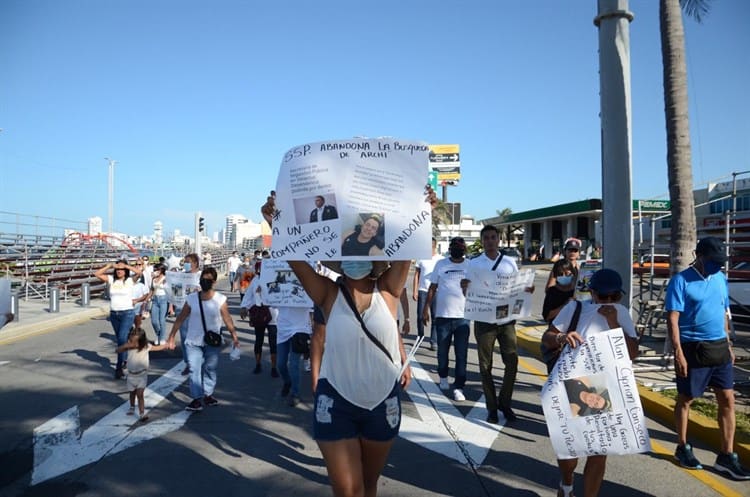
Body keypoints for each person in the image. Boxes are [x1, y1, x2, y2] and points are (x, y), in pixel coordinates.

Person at [261, 187, 434, 497]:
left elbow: (409, 245)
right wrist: (277, 221)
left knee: (368, 486)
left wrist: (422, 208)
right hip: (335, 401)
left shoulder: (389, 291)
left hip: (382, 402)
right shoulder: (327, 293)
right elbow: (296, 260)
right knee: (346, 490)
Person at [541, 268, 639, 497]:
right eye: (602, 296)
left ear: (620, 296)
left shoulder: (621, 313)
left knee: (599, 449)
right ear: (592, 293)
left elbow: (632, 353)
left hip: (605, 386)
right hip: (573, 382)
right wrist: (562, 337)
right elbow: (547, 336)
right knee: (570, 449)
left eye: (613, 297)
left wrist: (614, 322)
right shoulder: (575, 308)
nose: (607, 301)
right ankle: (566, 484)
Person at [665, 237, 750, 479]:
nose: (717, 265)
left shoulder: (720, 279)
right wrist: (678, 352)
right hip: (693, 348)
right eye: (713, 261)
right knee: (686, 398)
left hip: (720, 347)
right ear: (699, 256)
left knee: (727, 399)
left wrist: (728, 343)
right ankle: (682, 447)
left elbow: (723, 311)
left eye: (719, 261)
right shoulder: (680, 281)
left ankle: (726, 455)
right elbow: (673, 319)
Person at [463, 225, 535, 422]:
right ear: (482, 240)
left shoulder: (509, 262)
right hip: (484, 320)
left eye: (493, 237)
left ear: (499, 239)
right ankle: (492, 408)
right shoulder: (474, 263)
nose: (490, 241)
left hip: (506, 320)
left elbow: (517, 287)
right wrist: (465, 287)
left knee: (511, 362)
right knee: (485, 365)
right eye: (486, 238)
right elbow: (468, 293)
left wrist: (527, 289)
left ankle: (505, 403)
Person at [167, 266, 239, 411]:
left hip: (212, 341)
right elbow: (181, 318)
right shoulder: (192, 298)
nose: (205, 282)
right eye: (203, 279)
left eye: (208, 280)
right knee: (194, 369)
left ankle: (208, 394)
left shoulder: (220, 299)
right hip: (193, 341)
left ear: (214, 282)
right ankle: (197, 398)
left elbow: (227, 319)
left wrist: (234, 336)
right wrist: (172, 336)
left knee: (210, 368)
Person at [423, 236, 470, 402]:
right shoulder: (441, 264)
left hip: (463, 318)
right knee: (442, 352)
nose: (457, 248)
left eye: (460, 246)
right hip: (443, 316)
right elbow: (433, 287)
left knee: (461, 354)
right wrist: (426, 309)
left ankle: (459, 387)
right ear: (450, 248)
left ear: (464, 249)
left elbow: (479, 287)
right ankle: (443, 378)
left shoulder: (470, 265)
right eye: (454, 246)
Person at [95, 259, 143, 379]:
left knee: (122, 339)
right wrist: (110, 265)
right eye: (117, 269)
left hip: (127, 313)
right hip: (114, 314)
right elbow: (97, 274)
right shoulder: (111, 280)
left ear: (125, 270)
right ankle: (126, 359)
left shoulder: (130, 281)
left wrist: (126, 265)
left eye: (121, 270)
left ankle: (119, 367)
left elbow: (139, 273)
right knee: (121, 339)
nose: (119, 271)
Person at [116, 327, 168, 421]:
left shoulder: (146, 347)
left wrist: (166, 345)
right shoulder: (128, 347)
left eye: (136, 342)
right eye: (131, 341)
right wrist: (126, 346)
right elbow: (118, 350)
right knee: (132, 393)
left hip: (142, 375)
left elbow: (157, 348)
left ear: (142, 341)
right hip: (131, 375)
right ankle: (132, 407)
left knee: (140, 394)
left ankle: (142, 414)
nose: (134, 344)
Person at [240, 264, 278, 377]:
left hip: (273, 315)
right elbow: (248, 295)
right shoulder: (256, 280)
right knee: (259, 340)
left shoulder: (275, 277)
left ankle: (274, 367)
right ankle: (258, 364)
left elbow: (280, 294)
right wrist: (244, 307)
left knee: (273, 341)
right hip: (259, 314)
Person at [275, 304, 313, 407]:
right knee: (280, 364)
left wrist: (312, 330)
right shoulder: (280, 288)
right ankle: (287, 381)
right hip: (282, 330)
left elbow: (313, 308)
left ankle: (295, 393)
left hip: (299, 330)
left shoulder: (306, 290)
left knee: (294, 364)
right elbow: (268, 301)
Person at [412, 237, 442, 350]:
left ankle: (433, 341)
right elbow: (416, 275)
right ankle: (420, 337)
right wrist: (415, 290)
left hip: (437, 291)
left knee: (435, 317)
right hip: (423, 290)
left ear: (434, 246)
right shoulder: (421, 259)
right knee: (420, 316)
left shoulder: (441, 259)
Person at [175, 253, 202, 375]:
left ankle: (198, 361)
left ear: (195, 263)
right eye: (184, 262)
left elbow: (209, 290)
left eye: (188, 262)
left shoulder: (201, 276)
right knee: (184, 337)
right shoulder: (181, 276)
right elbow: (176, 291)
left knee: (198, 337)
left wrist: (200, 290)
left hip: (197, 310)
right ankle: (188, 363)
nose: (186, 264)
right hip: (182, 309)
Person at [542, 259, 577, 324]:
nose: (564, 276)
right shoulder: (552, 292)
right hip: (556, 329)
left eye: (567, 274)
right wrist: (565, 305)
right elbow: (547, 316)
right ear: (555, 276)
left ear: (573, 273)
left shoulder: (577, 291)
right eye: (560, 274)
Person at [149, 263, 169, 345]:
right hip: (155, 300)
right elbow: (152, 290)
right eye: (154, 269)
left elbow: (170, 291)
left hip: (164, 299)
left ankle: (162, 338)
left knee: (161, 320)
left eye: (157, 269)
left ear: (161, 270)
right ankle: (158, 335)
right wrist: (147, 299)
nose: (155, 271)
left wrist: (171, 306)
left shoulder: (166, 278)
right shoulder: (153, 278)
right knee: (154, 321)